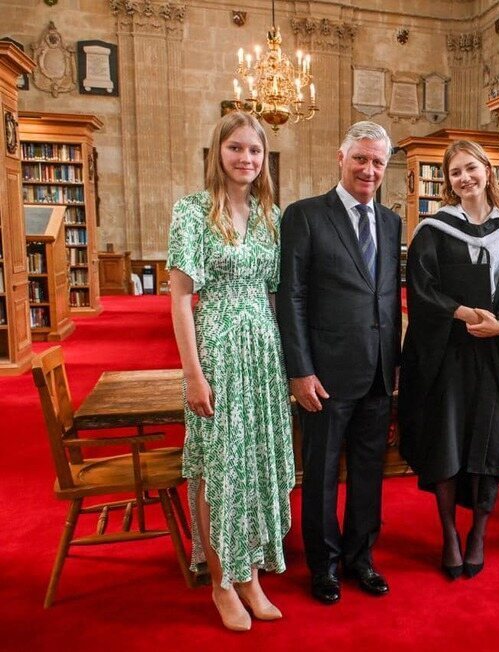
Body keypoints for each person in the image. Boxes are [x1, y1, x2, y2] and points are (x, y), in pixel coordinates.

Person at [167, 111, 293, 632]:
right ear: (218, 152)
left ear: (264, 159)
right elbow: (179, 300)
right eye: (236, 148)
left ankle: (251, 576)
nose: (246, 158)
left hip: (263, 352)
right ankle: (221, 581)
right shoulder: (192, 212)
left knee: (254, 464)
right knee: (217, 468)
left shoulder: (271, 215)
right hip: (215, 348)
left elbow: (278, 291)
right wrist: (193, 374)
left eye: (255, 151)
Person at [399, 140, 499, 579]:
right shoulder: (434, 229)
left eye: (471, 168)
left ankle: (478, 532)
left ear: (487, 170)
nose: (465, 178)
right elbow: (421, 288)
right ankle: (448, 534)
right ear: (448, 181)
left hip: (496, 354)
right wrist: (460, 314)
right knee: (448, 443)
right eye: (455, 172)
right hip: (448, 354)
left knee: (492, 445)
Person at [277, 121, 402, 605]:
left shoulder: (392, 223)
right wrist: (300, 370)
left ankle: (361, 558)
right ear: (341, 157)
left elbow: (387, 298)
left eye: (377, 162)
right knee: (323, 473)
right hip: (324, 375)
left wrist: (394, 365)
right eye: (360, 159)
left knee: (370, 473)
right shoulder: (305, 216)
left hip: (377, 371)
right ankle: (324, 566)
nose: (368, 170)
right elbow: (292, 298)